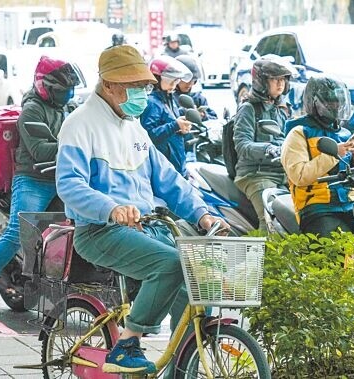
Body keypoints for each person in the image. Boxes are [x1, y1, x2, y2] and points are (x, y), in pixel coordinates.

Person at [55, 45, 230, 375]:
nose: (141, 92)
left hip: (147, 226)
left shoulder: (133, 126)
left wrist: (202, 213)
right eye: (134, 86)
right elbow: (69, 185)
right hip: (99, 231)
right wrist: (111, 208)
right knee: (171, 264)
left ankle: (183, 362)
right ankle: (128, 344)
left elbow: (167, 179)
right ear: (108, 85)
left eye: (145, 86)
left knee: (194, 281)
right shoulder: (79, 125)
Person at [0, 55, 80, 310]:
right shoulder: (32, 110)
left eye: (70, 91)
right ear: (45, 87)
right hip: (34, 179)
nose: (68, 95)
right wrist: (77, 148)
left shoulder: (67, 108)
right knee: (18, 231)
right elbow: (41, 150)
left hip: (63, 177)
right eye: (63, 91)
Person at [281, 76, 354, 236]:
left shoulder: (344, 134)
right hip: (318, 207)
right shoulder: (300, 133)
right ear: (314, 103)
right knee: (334, 253)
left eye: (338, 102)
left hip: (349, 203)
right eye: (330, 102)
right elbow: (299, 176)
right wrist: (335, 155)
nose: (336, 106)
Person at [233, 56, 294, 231]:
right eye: (274, 79)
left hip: (283, 172)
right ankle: (264, 258)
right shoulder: (248, 109)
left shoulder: (282, 108)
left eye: (283, 79)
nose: (280, 84)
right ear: (261, 81)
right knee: (270, 220)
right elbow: (242, 146)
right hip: (256, 175)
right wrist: (268, 148)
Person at [140, 55, 193, 177]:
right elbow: (148, 136)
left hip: (176, 165)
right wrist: (175, 125)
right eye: (171, 80)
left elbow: (170, 127)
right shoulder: (152, 103)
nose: (175, 84)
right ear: (157, 78)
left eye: (177, 80)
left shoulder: (169, 98)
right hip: (163, 170)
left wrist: (181, 128)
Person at [174, 54, 218, 121]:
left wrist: (203, 116)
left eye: (193, 81)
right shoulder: (169, 99)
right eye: (186, 80)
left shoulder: (198, 98)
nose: (190, 84)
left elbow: (214, 118)